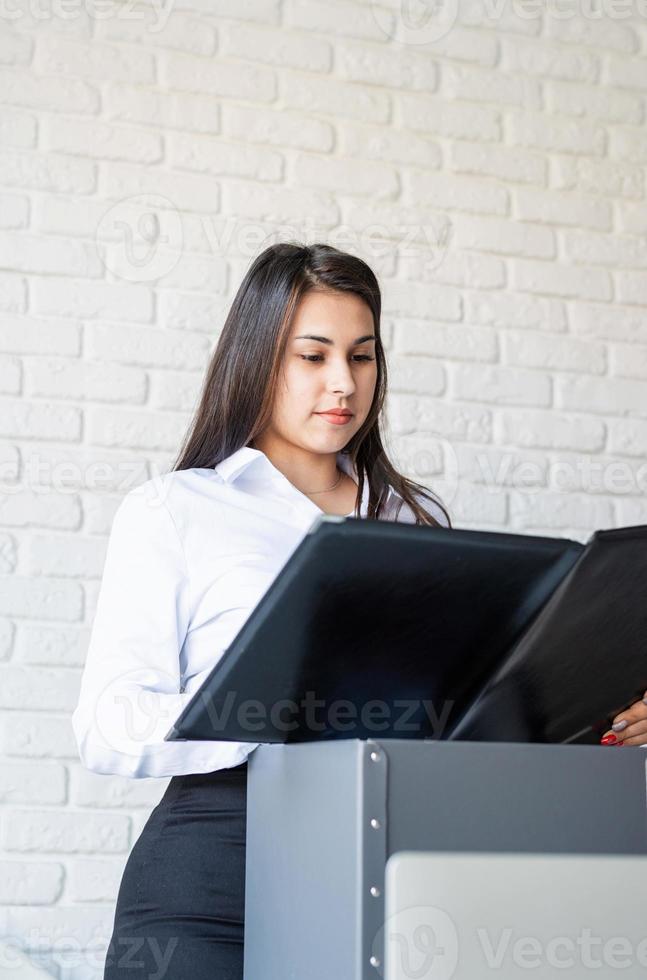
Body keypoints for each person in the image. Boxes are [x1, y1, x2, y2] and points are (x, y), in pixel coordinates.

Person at [71, 242, 452, 979]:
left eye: (361, 356)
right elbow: (107, 725)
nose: (342, 383)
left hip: (390, 864)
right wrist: (262, 707)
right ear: (259, 359)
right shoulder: (177, 509)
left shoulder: (415, 517)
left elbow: (462, 707)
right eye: (312, 356)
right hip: (213, 874)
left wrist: (592, 714)